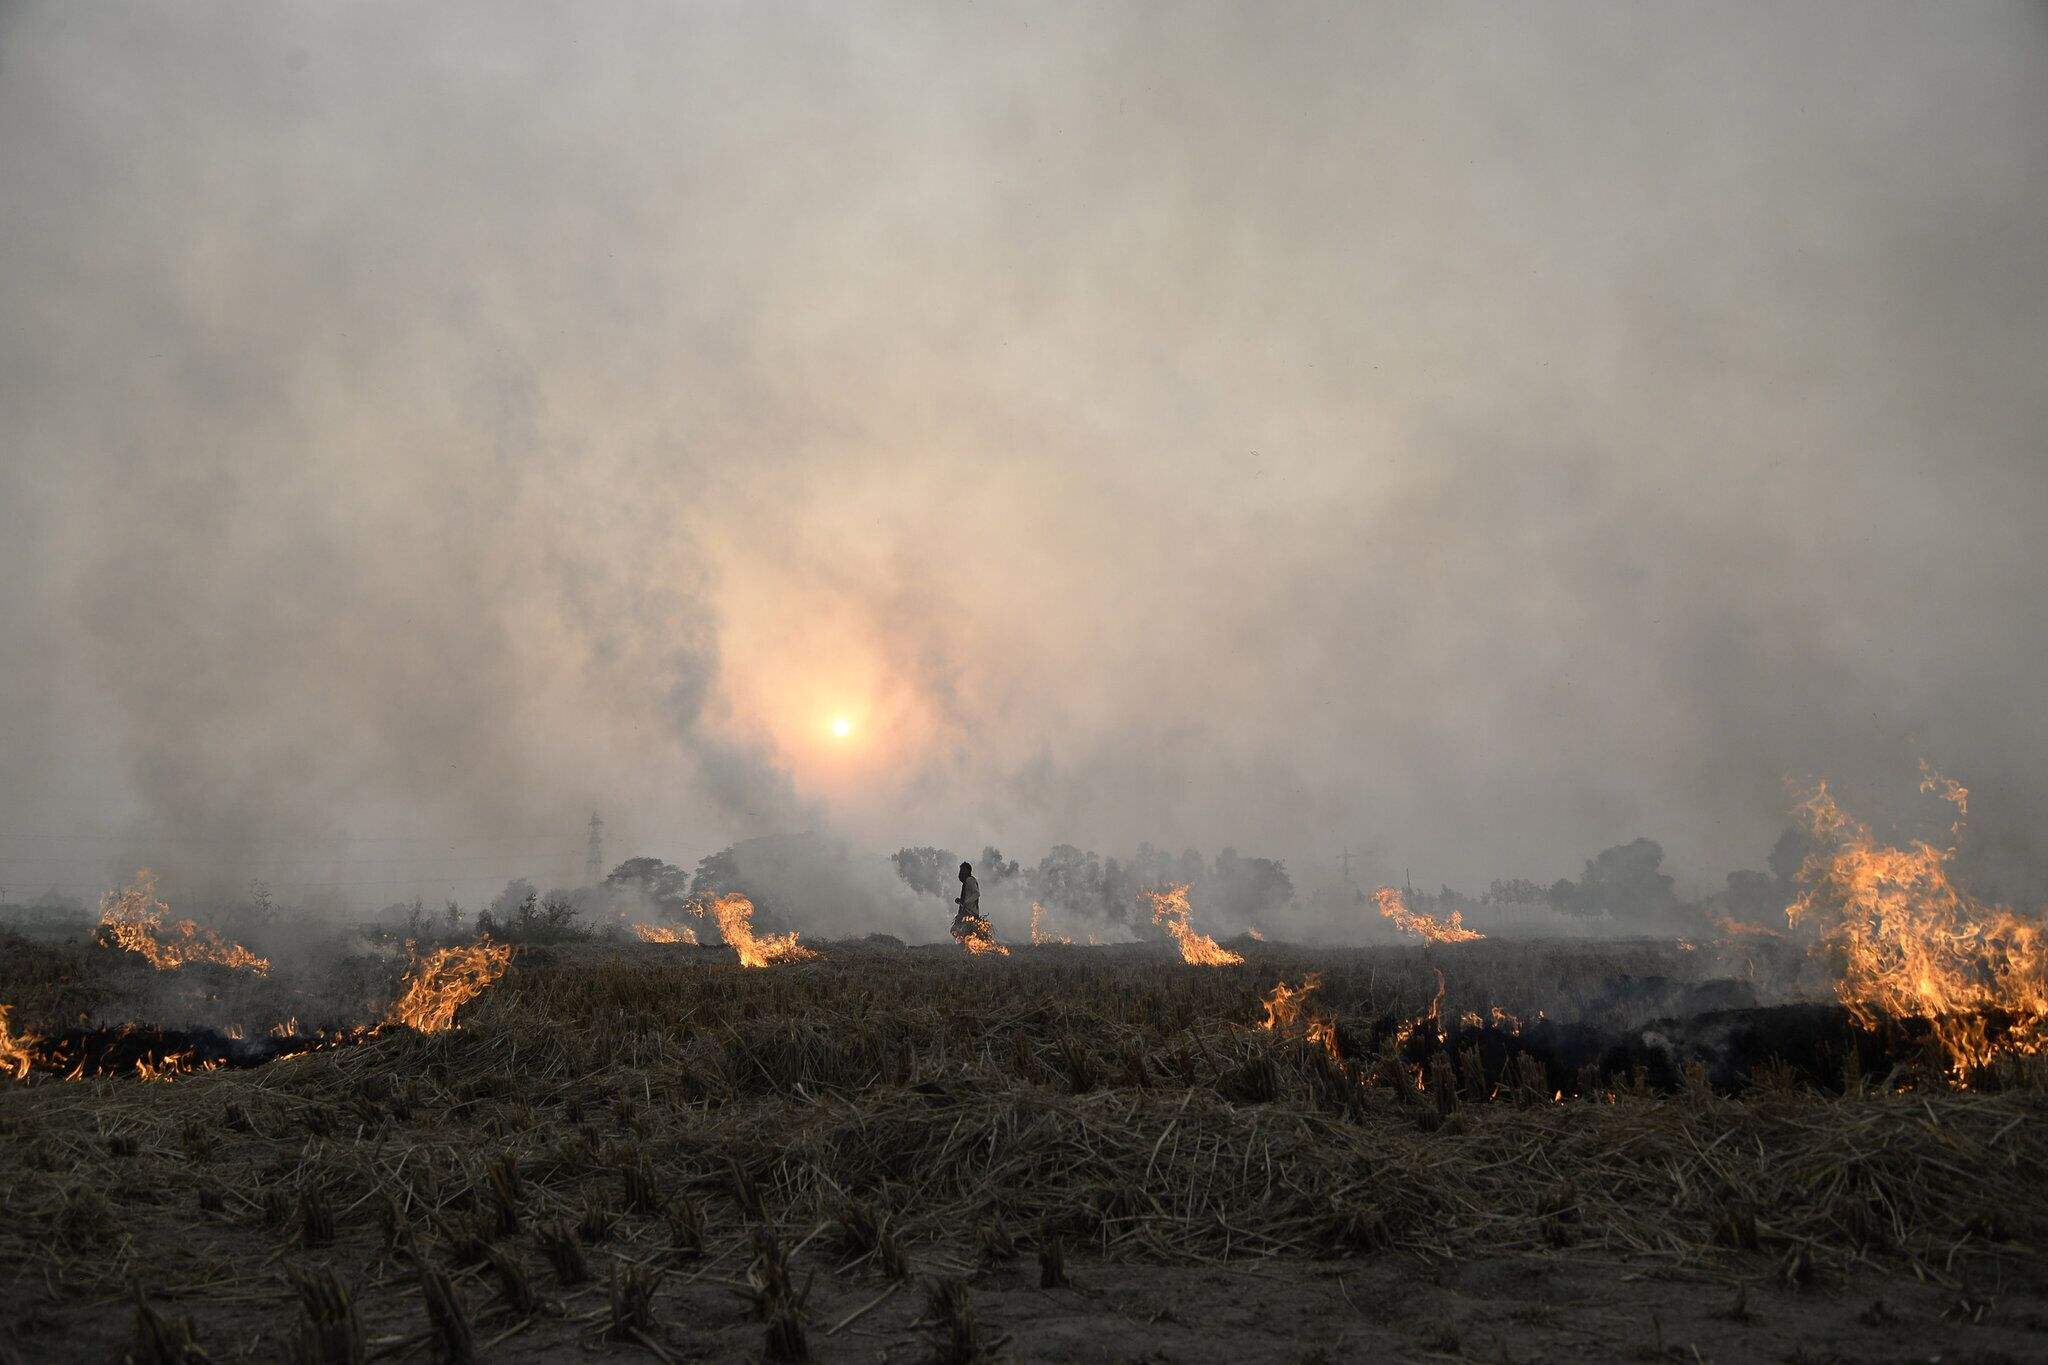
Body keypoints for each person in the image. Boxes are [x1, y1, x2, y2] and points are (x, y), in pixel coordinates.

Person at [952, 861, 981, 934]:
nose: (961, 872)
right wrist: (960, 901)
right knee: (958, 930)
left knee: (957, 930)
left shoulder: (970, 880)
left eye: (962, 870)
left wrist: (966, 902)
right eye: (960, 870)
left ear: (968, 870)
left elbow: (976, 893)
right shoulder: (966, 882)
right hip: (966, 912)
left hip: (969, 912)